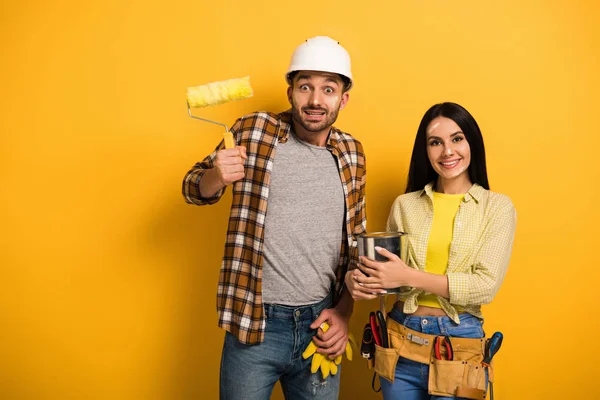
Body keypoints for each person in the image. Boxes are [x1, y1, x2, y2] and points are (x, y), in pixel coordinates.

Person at [183, 36, 366, 400]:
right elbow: (193, 187)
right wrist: (216, 175)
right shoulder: (253, 130)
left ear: (343, 98)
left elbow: (355, 247)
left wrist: (344, 313)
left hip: (321, 325)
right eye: (305, 87)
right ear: (290, 93)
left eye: (328, 89)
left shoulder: (352, 153)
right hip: (255, 324)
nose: (315, 100)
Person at [345, 102, 516, 399]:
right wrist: (361, 282)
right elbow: (389, 279)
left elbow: (485, 286)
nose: (447, 151)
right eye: (435, 142)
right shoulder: (405, 205)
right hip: (399, 339)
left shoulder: (497, 207)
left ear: (472, 143)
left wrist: (408, 275)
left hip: (460, 345)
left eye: (457, 139)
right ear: (425, 151)